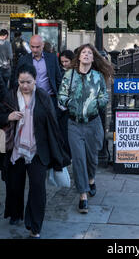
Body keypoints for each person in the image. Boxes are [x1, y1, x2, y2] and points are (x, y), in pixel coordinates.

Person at [0, 64, 70, 238]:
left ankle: (35, 226)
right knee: (14, 186)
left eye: (28, 82)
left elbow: (53, 126)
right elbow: (0, 115)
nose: (24, 86)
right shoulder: (10, 96)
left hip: (38, 151)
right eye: (21, 82)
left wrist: (58, 153)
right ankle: (15, 213)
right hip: (15, 150)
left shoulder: (43, 97)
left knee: (38, 188)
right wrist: (8, 117)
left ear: (35, 80)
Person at [57, 43, 114, 214]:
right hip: (74, 124)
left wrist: (97, 103)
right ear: (79, 57)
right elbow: (62, 95)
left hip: (93, 123)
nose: (87, 55)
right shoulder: (70, 75)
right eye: (84, 53)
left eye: (90, 53)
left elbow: (104, 96)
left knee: (91, 158)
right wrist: (69, 103)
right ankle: (83, 195)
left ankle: (91, 179)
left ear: (93, 57)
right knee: (78, 159)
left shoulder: (97, 76)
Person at [16, 35, 62, 114]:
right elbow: (16, 80)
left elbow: (58, 79)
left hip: (50, 97)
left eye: (38, 47)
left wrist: (60, 98)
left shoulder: (52, 58)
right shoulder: (23, 60)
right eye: (32, 47)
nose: (35, 50)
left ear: (43, 45)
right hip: (30, 98)